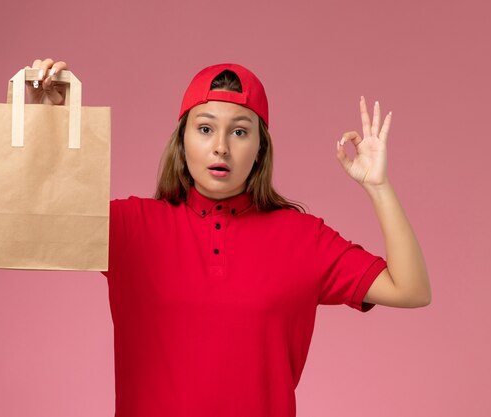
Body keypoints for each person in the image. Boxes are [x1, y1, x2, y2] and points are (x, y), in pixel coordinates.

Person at [25, 58, 431, 417]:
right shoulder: (131, 227)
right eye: (205, 129)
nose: (221, 146)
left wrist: (378, 187)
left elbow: (410, 289)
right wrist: (50, 126)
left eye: (240, 132)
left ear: (259, 148)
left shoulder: (302, 238)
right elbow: (37, 224)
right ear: (182, 141)